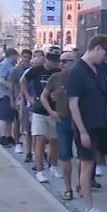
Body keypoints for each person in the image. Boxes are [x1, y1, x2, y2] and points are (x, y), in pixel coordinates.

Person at [67, 35, 107, 212]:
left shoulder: (101, 67)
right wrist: (82, 131)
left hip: (104, 123)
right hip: (87, 126)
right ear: (96, 48)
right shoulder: (77, 71)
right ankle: (89, 208)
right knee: (87, 165)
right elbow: (73, 104)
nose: (105, 58)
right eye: (104, 53)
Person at [42, 51, 78, 201]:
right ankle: (68, 188)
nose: (61, 64)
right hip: (63, 120)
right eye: (60, 61)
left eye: (65, 61)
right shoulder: (56, 78)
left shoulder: (81, 77)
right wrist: (51, 112)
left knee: (84, 157)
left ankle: (82, 185)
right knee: (65, 155)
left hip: (80, 121)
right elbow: (44, 95)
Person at [25, 47, 63, 184]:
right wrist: (28, 97)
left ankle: (53, 166)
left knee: (54, 141)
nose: (54, 63)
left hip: (55, 110)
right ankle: (39, 170)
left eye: (56, 61)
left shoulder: (59, 72)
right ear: (47, 59)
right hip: (39, 110)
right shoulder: (36, 70)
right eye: (52, 60)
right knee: (40, 140)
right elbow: (23, 81)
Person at [12, 48, 34, 156]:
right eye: (24, 57)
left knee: (28, 125)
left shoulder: (33, 69)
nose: (26, 59)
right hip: (19, 99)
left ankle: (29, 149)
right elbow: (12, 86)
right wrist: (12, 99)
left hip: (28, 100)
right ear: (21, 57)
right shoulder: (16, 70)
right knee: (17, 121)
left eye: (28, 57)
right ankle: (17, 143)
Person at [0, 49, 18, 148]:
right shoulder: (5, 65)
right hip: (5, 94)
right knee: (4, 117)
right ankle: (3, 136)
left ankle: (8, 136)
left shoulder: (10, 65)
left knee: (9, 117)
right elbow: (1, 80)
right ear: (13, 55)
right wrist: (11, 86)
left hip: (10, 94)